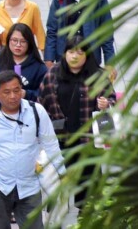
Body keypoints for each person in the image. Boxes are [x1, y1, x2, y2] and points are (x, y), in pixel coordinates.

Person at [0, 71, 64, 229]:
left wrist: (62, 173)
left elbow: (51, 145)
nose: (13, 96)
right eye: (7, 92)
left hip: (30, 185)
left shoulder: (36, 111)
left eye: (16, 90)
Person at [37, 34, 114, 207]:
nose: (74, 56)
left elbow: (112, 99)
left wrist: (106, 103)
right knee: (57, 185)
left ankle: (84, 219)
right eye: (70, 51)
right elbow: (41, 105)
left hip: (89, 141)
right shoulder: (53, 74)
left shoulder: (98, 75)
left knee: (87, 190)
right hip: (61, 140)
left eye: (80, 52)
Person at [45, 0, 115, 67]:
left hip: (90, 58)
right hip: (65, 58)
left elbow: (106, 32)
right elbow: (52, 30)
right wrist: (49, 59)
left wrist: (110, 63)